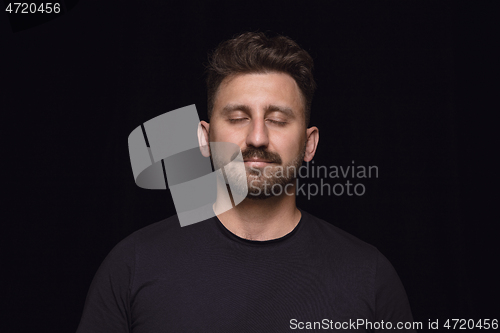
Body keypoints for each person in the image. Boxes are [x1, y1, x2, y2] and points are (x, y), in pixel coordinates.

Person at [76, 31, 416, 332]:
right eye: (238, 118)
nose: (257, 137)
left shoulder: (369, 277)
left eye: (278, 120)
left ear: (309, 144)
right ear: (205, 140)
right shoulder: (133, 265)